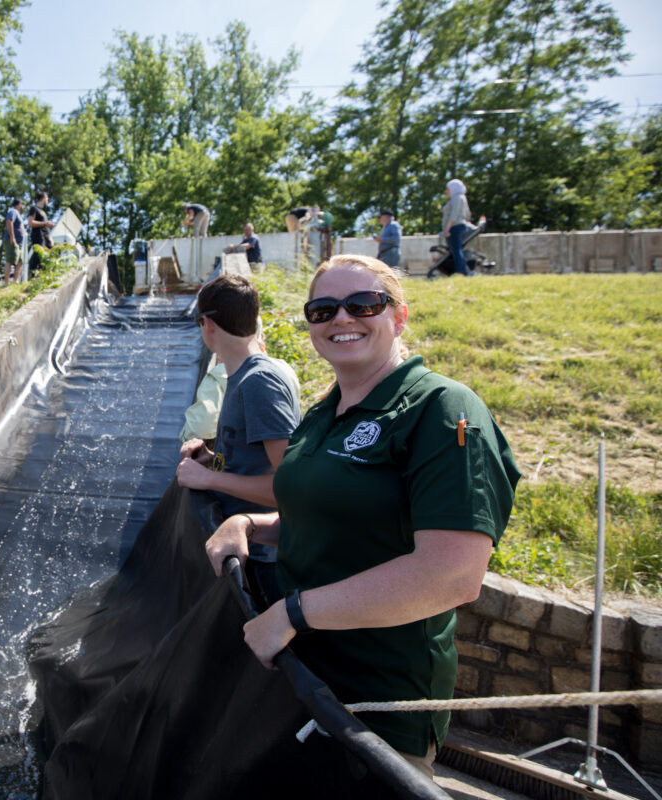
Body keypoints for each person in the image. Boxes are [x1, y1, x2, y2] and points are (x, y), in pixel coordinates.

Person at [205, 254, 519, 774]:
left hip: (379, 706)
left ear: (399, 317)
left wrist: (292, 614)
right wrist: (249, 525)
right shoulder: (324, 413)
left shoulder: (442, 409)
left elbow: (452, 575)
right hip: (300, 679)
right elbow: (322, 521)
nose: (342, 318)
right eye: (323, 310)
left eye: (364, 304)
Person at [175, 275, 301, 519]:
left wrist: (209, 479)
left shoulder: (259, 382)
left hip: (254, 539)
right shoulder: (243, 377)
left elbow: (292, 487)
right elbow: (254, 465)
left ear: (207, 324)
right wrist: (212, 459)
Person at [442, 179, 473, 276]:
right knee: (455, 250)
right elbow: (468, 214)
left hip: (455, 227)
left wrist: (447, 229)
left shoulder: (457, 198)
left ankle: (460, 272)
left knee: (456, 250)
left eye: (447, 189)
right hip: (458, 226)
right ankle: (461, 271)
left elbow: (454, 215)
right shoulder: (461, 198)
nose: (446, 191)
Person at [26, 191, 54, 277]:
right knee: (38, 256)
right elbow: (30, 223)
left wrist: (50, 238)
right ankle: (32, 276)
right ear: (43, 198)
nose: (48, 200)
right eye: (47, 198)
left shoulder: (43, 212)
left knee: (48, 257)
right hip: (38, 236)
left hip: (46, 237)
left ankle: (42, 276)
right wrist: (45, 223)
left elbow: (45, 226)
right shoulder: (34, 209)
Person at [2, 198, 26, 284]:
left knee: (20, 262)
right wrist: (12, 236)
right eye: (22, 204)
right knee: (10, 260)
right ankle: (6, 282)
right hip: (12, 240)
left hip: (19, 242)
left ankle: (16, 282)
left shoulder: (18, 214)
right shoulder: (13, 211)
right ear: (19, 204)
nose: (23, 206)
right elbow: (9, 222)